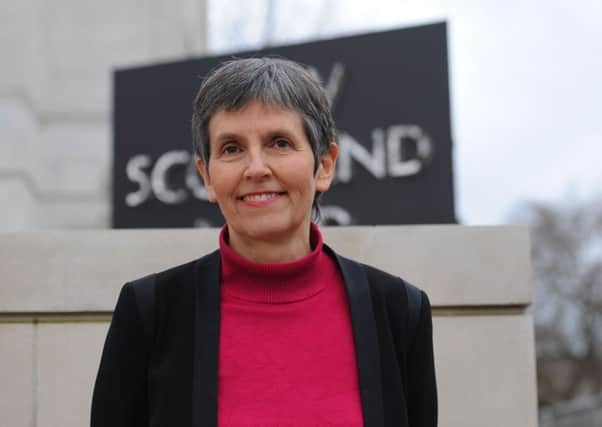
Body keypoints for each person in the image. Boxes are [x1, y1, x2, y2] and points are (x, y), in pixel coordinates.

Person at [91, 57, 437, 427]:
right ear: (206, 175)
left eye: (279, 143)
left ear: (324, 165)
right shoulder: (150, 313)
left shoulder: (400, 310)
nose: (256, 168)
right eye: (231, 148)